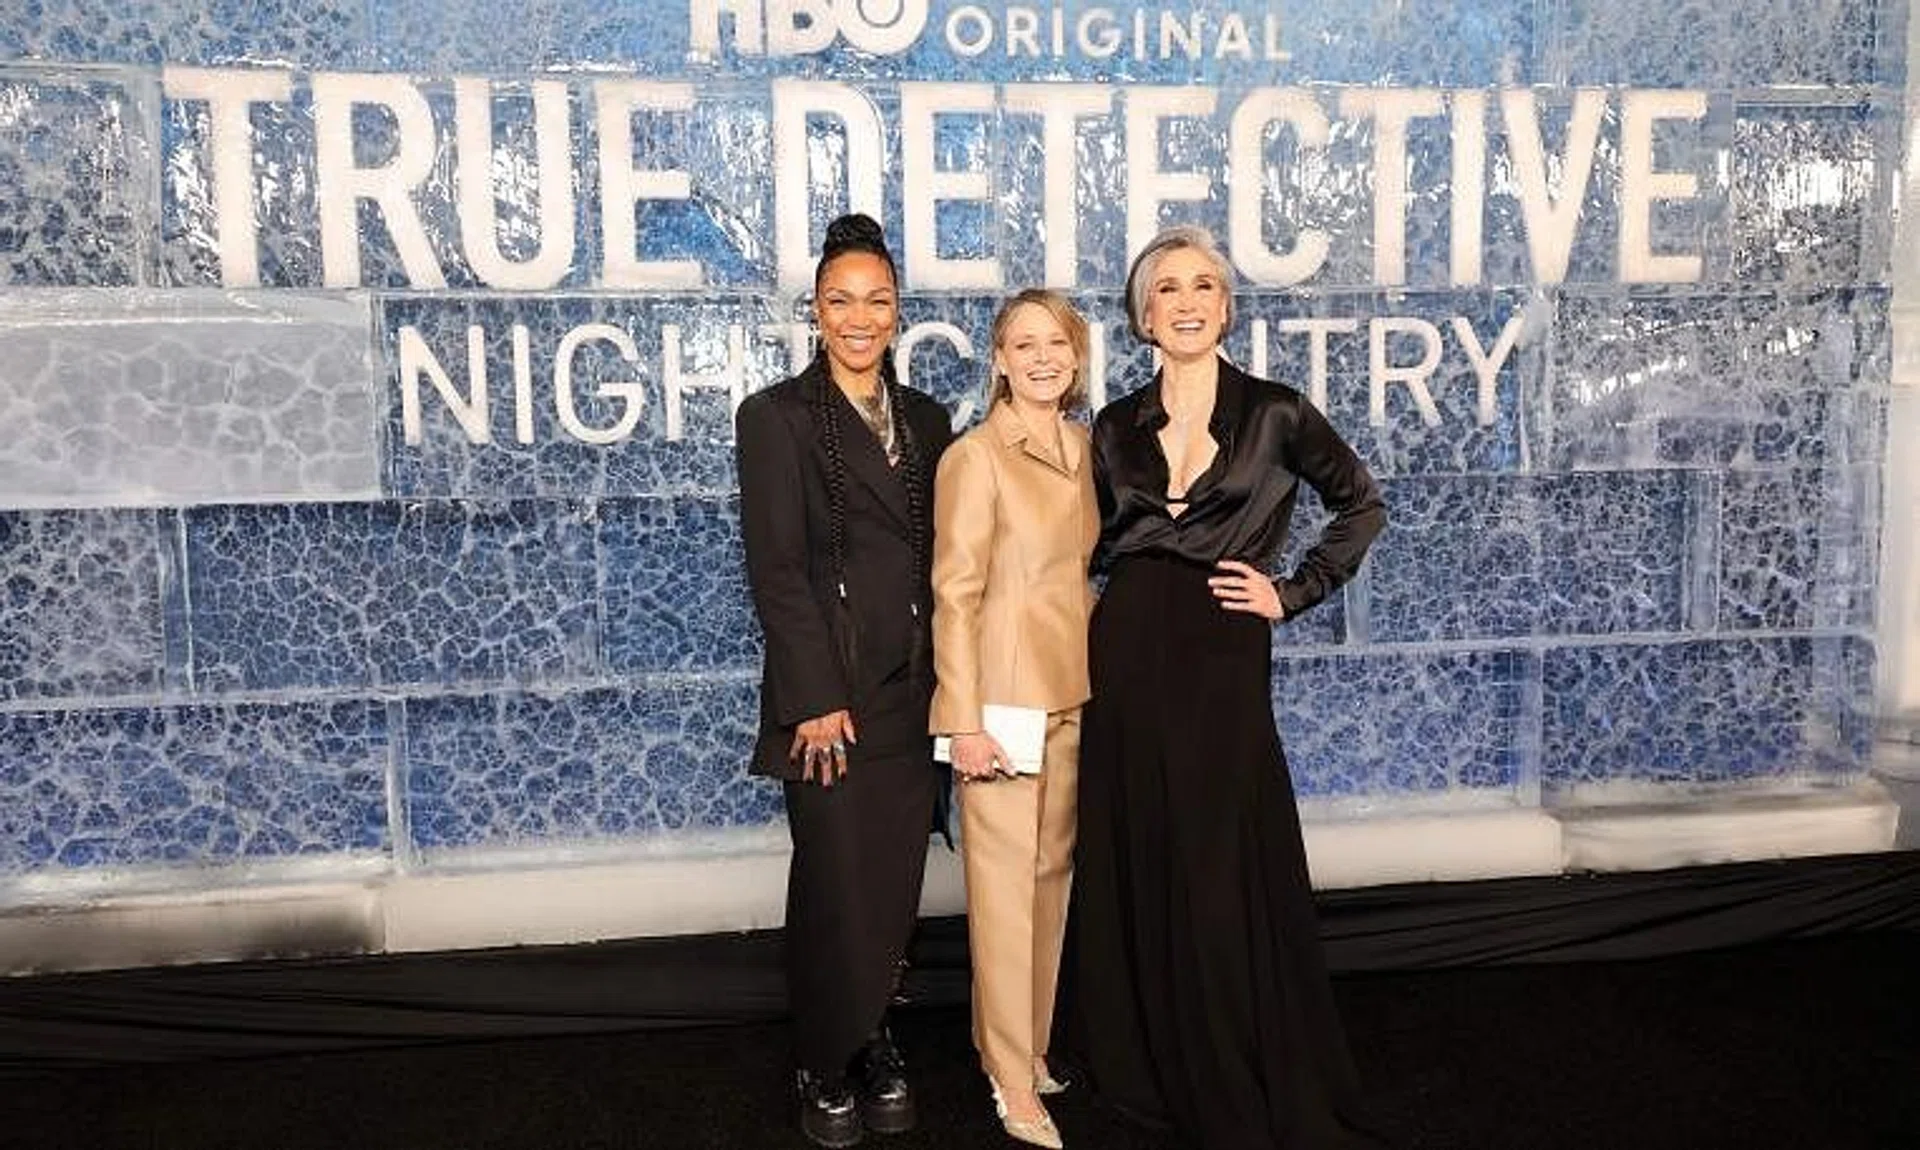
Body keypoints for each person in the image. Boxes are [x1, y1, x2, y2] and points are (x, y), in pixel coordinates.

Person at [1058, 225, 1389, 1150]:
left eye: (1205, 285)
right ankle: (1143, 1061)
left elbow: (1361, 504)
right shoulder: (1115, 424)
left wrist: (1292, 593)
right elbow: (1085, 549)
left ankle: (1233, 1058)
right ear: (1144, 315)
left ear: (1227, 308)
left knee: (1217, 857)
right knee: (1136, 841)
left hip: (1222, 649)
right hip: (1125, 648)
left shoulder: (1277, 411)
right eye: (1169, 288)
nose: (1189, 300)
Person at [735, 212, 955, 1149]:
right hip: (829, 699)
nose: (859, 318)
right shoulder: (776, 417)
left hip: (914, 691)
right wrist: (814, 697)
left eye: (877, 301)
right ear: (815, 312)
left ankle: (874, 1038)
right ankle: (823, 1057)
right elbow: (777, 571)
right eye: (840, 301)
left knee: (894, 884)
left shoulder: (932, 421)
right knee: (835, 880)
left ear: (898, 312)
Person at [929, 289, 1099, 1150]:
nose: (1041, 357)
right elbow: (952, 596)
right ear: (997, 359)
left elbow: (1077, 579)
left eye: (1056, 343)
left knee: (1049, 881)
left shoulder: (1080, 445)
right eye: (1022, 344)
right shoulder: (974, 457)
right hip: (998, 706)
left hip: (1066, 695)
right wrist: (961, 722)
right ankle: (1006, 1076)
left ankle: (1028, 1047)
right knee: (1000, 894)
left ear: (1077, 355)